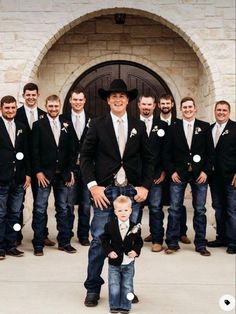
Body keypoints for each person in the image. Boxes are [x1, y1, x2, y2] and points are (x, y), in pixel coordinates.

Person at [80, 79, 154, 307]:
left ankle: (125, 287)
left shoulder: (138, 126)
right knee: (98, 242)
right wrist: (93, 186)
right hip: (105, 191)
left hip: (131, 191)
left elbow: (149, 159)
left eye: (122, 96)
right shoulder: (97, 124)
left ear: (128, 100)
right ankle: (93, 287)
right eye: (114, 96)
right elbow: (85, 157)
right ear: (107, 100)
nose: (118, 99)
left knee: (129, 241)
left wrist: (145, 186)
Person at [163, 96, 214, 256]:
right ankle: (171, 242)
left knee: (200, 210)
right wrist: (172, 172)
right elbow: (166, 154)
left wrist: (206, 171)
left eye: (190, 107)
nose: (187, 110)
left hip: (200, 175)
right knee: (174, 209)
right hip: (179, 174)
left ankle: (200, 244)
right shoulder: (173, 127)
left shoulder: (204, 127)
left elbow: (210, 153)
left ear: (195, 108)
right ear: (181, 109)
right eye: (184, 107)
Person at [31, 95, 76, 256]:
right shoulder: (38, 125)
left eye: (56, 106)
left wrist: (70, 171)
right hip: (45, 174)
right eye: (50, 106)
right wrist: (38, 172)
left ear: (60, 106)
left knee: (63, 209)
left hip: (63, 174)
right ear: (46, 106)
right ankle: (38, 244)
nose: (53, 109)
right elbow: (34, 151)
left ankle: (64, 242)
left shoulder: (67, 124)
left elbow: (73, 150)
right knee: (40, 208)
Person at [143, 94, 191, 245]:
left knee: (176, 203)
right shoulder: (157, 123)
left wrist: (169, 171)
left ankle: (181, 232)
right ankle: (154, 232)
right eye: (162, 103)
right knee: (155, 204)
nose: (165, 106)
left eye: (167, 103)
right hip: (158, 171)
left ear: (172, 105)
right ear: (159, 105)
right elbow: (163, 150)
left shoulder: (178, 123)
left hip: (174, 171)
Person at [15, 82, 55, 247]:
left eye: (33, 95)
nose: (30, 97)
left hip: (40, 167)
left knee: (41, 202)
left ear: (38, 96)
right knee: (18, 203)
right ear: (23, 95)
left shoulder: (45, 116)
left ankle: (42, 234)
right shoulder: (15, 114)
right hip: (21, 166)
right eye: (28, 95)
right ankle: (15, 235)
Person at [0, 95, 31, 260]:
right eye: (7, 108)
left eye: (13, 107)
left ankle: (11, 245)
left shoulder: (22, 127)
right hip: (2, 178)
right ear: (1, 109)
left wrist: (27, 174)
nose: (10, 111)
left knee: (14, 213)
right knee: (0, 213)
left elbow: (26, 152)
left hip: (19, 178)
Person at [101, 195, 143, 314]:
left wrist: (135, 251)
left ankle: (126, 306)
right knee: (114, 285)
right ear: (115, 212)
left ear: (130, 210)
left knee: (127, 286)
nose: (123, 213)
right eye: (120, 210)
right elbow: (104, 241)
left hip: (128, 262)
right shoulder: (110, 226)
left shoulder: (135, 226)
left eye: (125, 210)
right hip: (114, 262)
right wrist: (109, 251)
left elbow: (139, 242)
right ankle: (114, 305)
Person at [137, 94, 167, 252]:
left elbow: (166, 151)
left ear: (154, 106)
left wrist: (163, 171)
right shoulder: (132, 124)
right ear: (139, 105)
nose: (146, 107)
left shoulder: (162, 125)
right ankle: (135, 239)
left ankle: (157, 239)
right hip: (137, 175)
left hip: (155, 175)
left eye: (149, 104)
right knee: (136, 209)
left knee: (155, 208)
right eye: (144, 104)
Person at [63, 88, 92, 246]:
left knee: (86, 204)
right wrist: (67, 170)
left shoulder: (93, 120)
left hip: (87, 168)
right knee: (68, 204)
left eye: (80, 100)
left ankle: (83, 235)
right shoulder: (63, 119)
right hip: (71, 168)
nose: (78, 102)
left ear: (84, 101)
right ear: (70, 101)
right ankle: (66, 235)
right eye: (75, 99)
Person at [207, 100, 236, 254]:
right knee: (218, 208)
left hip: (231, 177)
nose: (221, 112)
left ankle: (233, 241)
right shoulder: (210, 129)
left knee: (232, 209)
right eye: (219, 110)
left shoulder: (235, 128)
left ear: (229, 112)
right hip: (215, 178)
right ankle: (221, 237)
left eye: (224, 110)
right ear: (215, 111)